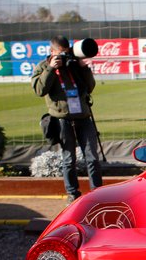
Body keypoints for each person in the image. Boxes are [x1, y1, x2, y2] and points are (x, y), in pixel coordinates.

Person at [32, 36, 102, 202]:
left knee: (92, 157)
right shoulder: (43, 67)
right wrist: (50, 69)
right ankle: (72, 194)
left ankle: (97, 193)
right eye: (61, 54)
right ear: (52, 52)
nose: (64, 57)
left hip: (83, 117)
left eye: (66, 52)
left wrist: (84, 68)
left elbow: (90, 87)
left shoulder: (74, 64)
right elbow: (39, 90)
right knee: (68, 159)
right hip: (62, 118)